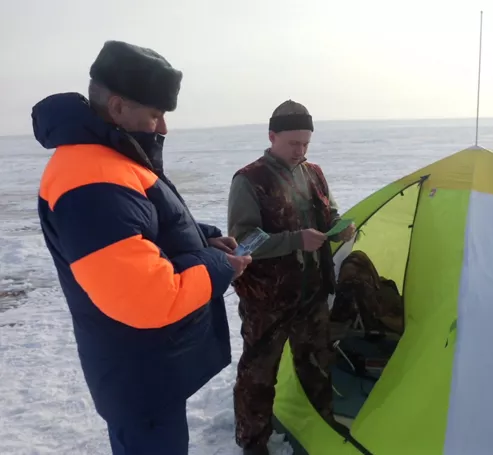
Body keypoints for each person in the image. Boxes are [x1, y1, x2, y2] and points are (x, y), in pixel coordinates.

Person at [32, 40, 252, 455]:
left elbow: (146, 227)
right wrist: (219, 264)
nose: (163, 127)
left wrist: (202, 237)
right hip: (139, 377)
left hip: (150, 368)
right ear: (117, 107)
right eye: (155, 114)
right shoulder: (91, 181)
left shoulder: (111, 159)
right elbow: (149, 297)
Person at [228, 100, 355, 454]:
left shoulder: (313, 173)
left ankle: (320, 424)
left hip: (312, 291)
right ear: (272, 137)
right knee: (259, 374)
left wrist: (339, 227)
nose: (300, 151)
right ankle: (253, 441)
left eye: (305, 143)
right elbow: (243, 242)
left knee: (317, 364)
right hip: (267, 299)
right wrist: (295, 240)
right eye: (293, 143)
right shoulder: (249, 180)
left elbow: (328, 213)